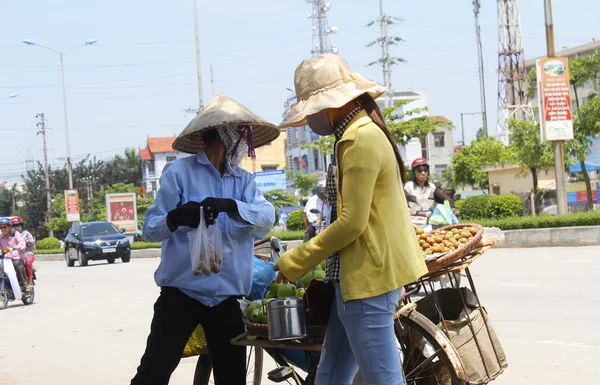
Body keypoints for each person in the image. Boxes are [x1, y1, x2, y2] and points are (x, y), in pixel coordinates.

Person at [273, 54, 428, 385]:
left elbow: (352, 223)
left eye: (311, 111)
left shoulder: (359, 139)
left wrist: (296, 260)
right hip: (353, 280)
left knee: (382, 379)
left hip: (366, 281)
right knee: (329, 376)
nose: (310, 121)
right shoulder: (353, 136)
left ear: (329, 106)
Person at [130, 94, 277, 385]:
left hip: (226, 299)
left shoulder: (244, 182)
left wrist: (232, 206)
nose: (245, 145)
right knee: (152, 374)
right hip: (182, 294)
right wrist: (175, 218)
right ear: (225, 136)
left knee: (232, 379)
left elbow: (266, 219)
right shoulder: (179, 173)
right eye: (240, 137)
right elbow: (150, 228)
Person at [404, 158, 458, 229]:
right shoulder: (408, 186)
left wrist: (453, 208)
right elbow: (401, 206)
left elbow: (444, 198)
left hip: (430, 222)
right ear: (414, 172)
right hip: (413, 223)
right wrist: (416, 212)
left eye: (425, 170)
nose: (423, 173)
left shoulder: (432, 187)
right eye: (419, 170)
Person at [0, 217, 28, 294]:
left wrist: (17, 247)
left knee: (17, 265)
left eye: (4, 227)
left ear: (10, 227)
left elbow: (22, 243)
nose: (2, 229)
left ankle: (24, 285)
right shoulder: (0, 237)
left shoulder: (16, 234)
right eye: (1, 227)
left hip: (17, 257)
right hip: (5, 259)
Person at [11, 216, 36, 286]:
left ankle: (30, 280)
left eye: (18, 225)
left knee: (27, 262)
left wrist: (22, 241)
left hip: (26, 253)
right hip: (13, 254)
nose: (16, 227)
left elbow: (32, 242)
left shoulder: (26, 233)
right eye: (14, 226)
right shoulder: (9, 235)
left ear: (21, 226)